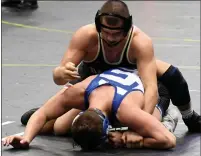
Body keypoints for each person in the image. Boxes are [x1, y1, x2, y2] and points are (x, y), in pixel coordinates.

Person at [21, 0, 200, 132]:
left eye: (117, 33)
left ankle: (188, 115)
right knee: (59, 128)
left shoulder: (140, 41)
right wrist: (60, 73)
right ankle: (53, 114)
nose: (111, 38)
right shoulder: (86, 36)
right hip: (96, 80)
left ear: (128, 27)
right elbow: (59, 77)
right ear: (99, 26)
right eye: (106, 32)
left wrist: (139, 124)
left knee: (171, 75)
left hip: (129, 81)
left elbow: (151, 87)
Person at [2, 67, 176, 150]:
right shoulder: (78, 93)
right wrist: (26, 139)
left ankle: (168, 116)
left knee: (145, 127)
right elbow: (42, 113)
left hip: (152, 90)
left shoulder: (126, 111)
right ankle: (59, 110)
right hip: (102, 85)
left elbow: (169, 140)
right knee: (60, 127)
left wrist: (127, 139)